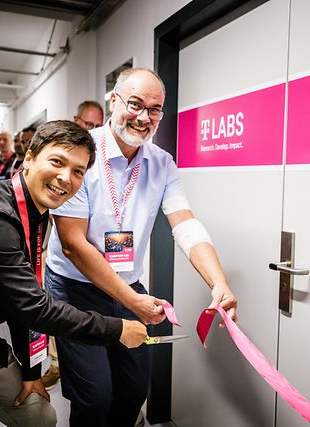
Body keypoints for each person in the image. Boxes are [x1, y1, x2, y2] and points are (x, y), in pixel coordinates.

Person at [45, 68, 237, 427]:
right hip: (75, 289)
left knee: (134, 390)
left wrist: (219, 282)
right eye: (135, 104)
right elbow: (72, 244)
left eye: (155, 109)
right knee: (94, 395)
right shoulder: (79, 154)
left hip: (127, 287)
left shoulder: (161, 163)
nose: (144, 117)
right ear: (113, 101)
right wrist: (133, 302)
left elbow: (186, 225)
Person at [0, 120, 147, 427]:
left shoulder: (36, 211)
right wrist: (118, 329)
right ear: (30, 158)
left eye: (78, 171)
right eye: (57, 162)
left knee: (38, 414)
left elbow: (21, 303)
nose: (66, 178)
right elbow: (35, 308)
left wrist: (31, 373)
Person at [42, 102, 104, 390]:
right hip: (65, 271)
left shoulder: (91, 169)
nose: (92, 133)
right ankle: (54, 363)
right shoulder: (63, 178)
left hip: (96, 275)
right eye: (87, 125)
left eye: (96, 127)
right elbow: (70, 243)